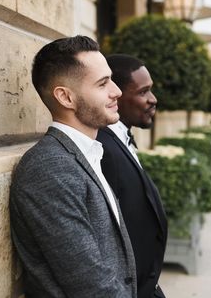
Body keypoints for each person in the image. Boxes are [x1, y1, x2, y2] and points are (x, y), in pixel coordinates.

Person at [10, 37, 137, 298]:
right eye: (103, 83)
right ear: (66, 97)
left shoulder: (86, 152)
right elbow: (90, 285)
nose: (117, 91)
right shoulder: (49, 168)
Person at [97, 54, 168, 298]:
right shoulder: (103, 148)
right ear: (115, 95)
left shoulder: (119, 139)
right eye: (143, 92)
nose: (153, 99)